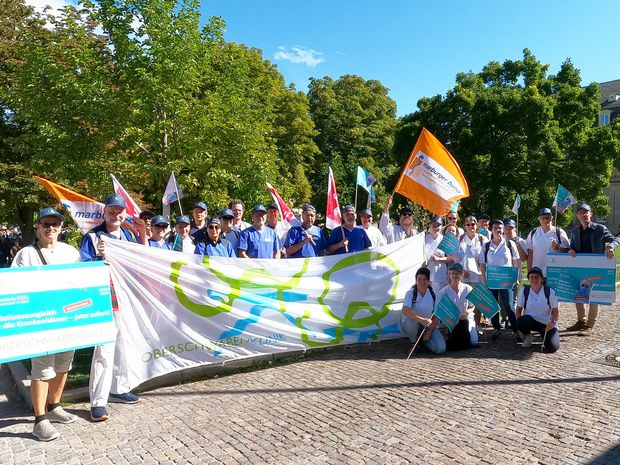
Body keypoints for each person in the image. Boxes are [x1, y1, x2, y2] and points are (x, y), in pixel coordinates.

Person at [11, 208, 81, 441]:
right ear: (37, 227)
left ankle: (55, 406)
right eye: (46, 224)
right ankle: (39, 420)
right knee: (42, 368)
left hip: (68, 318)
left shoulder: (71, 252)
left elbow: (81, 280)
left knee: (64, 363)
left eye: (55, 224)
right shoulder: (26, 254)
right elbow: (15, 285)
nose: (51, 228)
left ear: (61, 227)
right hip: (42, 320)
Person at [80, 193, 140, 422]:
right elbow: (83, 268)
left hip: (126, 298)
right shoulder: (93, 238)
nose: (116, 214)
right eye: (112, 210)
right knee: (104, 350)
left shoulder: (128, 236)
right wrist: (98, 256)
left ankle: (118, 388)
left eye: (120, 210)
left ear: (125, 212)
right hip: (105, 298)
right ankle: (98, 402)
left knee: (124, 345)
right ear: (105, 212)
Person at [565, 203, 618, 335]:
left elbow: (616, 239)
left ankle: (589, 325)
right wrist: (570, 250)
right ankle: (581, 321)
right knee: (578, 293)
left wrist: (610, 247)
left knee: (593, 296)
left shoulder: (600, 228)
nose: (583, 215)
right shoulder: (575, 231)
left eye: (585, 212)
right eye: (580, 213)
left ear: (591, 214)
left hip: (595, 267)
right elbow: (572, 247)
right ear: (577, 216)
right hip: (579, 268)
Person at [478, 219, 520, 340]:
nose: (498, 230)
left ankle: (516, 331)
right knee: (494, 306)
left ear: (503, 230)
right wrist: (484, 279)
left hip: (507, 281)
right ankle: (496, 328)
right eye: (495, 228)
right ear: (492, 230)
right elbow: (482, 264)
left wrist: (516, 277)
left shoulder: (510, 244)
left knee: (509, 306)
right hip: (492, 280)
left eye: (500, 228)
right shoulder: (486, 246)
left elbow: (516, 262)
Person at [400, 267, 445, 354]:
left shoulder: (434, 295)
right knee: (409, 321)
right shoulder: (410, 293)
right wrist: (421, 320)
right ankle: (414, 343)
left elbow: (437, 315)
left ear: (428, 281)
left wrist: (430, 331)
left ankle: (422, 340)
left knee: (440, 349)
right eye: (419, 279)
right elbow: (405, 311)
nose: (422, 282)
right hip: (414, 324)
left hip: (428, 326)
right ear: (416, 280)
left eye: (425, 279)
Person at [515, 267, 560, 352]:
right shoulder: (524, 290)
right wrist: (519, 328)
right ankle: (528, 336)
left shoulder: (549, 291)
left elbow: (555, 310)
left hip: (546, 324)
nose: (534, 279)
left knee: (552, 348)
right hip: (530, 321)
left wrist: (553, 322)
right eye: (531, 277)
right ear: (528, 279)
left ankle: (546, 337)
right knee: (522, 320)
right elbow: (518, 309)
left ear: (541, 279)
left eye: (536, 277)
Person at [435, 263, 478, 349]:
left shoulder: (468, 288)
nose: (455, 275)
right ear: (449, 275)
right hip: (450, 320)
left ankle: (473, 332)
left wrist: (466, 313)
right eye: (452, 273)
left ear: (462, 274)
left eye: (457, 273)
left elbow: (472, 306)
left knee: (473, 341)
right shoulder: (443, 292)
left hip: (465, 319)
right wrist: (449, 319)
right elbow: (438, 310)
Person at [457, 215, 488, 331]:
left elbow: (486, 258)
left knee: (477, 301)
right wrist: (462, 270)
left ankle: (477, 325)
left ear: (476, 225)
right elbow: (456, 257)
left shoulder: (482, 239)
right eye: (468, 224)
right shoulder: (460, 239)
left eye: (473, 224)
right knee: (464, 300)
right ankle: (464, 324)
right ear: (465, 226)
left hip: (478, 275)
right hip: (463, 275)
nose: (471, 227)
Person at [525, 208, 570, 277]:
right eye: (542, 218)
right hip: (537, 273)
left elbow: (567, 251)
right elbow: (530, 254)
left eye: (547, 218)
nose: (545, 220)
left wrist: (558, 248)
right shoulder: (533, 233)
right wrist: (529, 272)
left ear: (552, 218)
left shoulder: (559, 232)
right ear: (539, 219)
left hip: (555, 273)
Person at [424, 216, 450, 291]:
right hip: (427, 272)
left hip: (439, 273)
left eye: (438, 226)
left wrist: (438, 259)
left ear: (441, 227)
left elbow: (450, 258)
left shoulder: (444, 239)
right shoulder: (424, 239)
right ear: (430, 226)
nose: (436, 228)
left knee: (438, 296)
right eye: (434, 226)